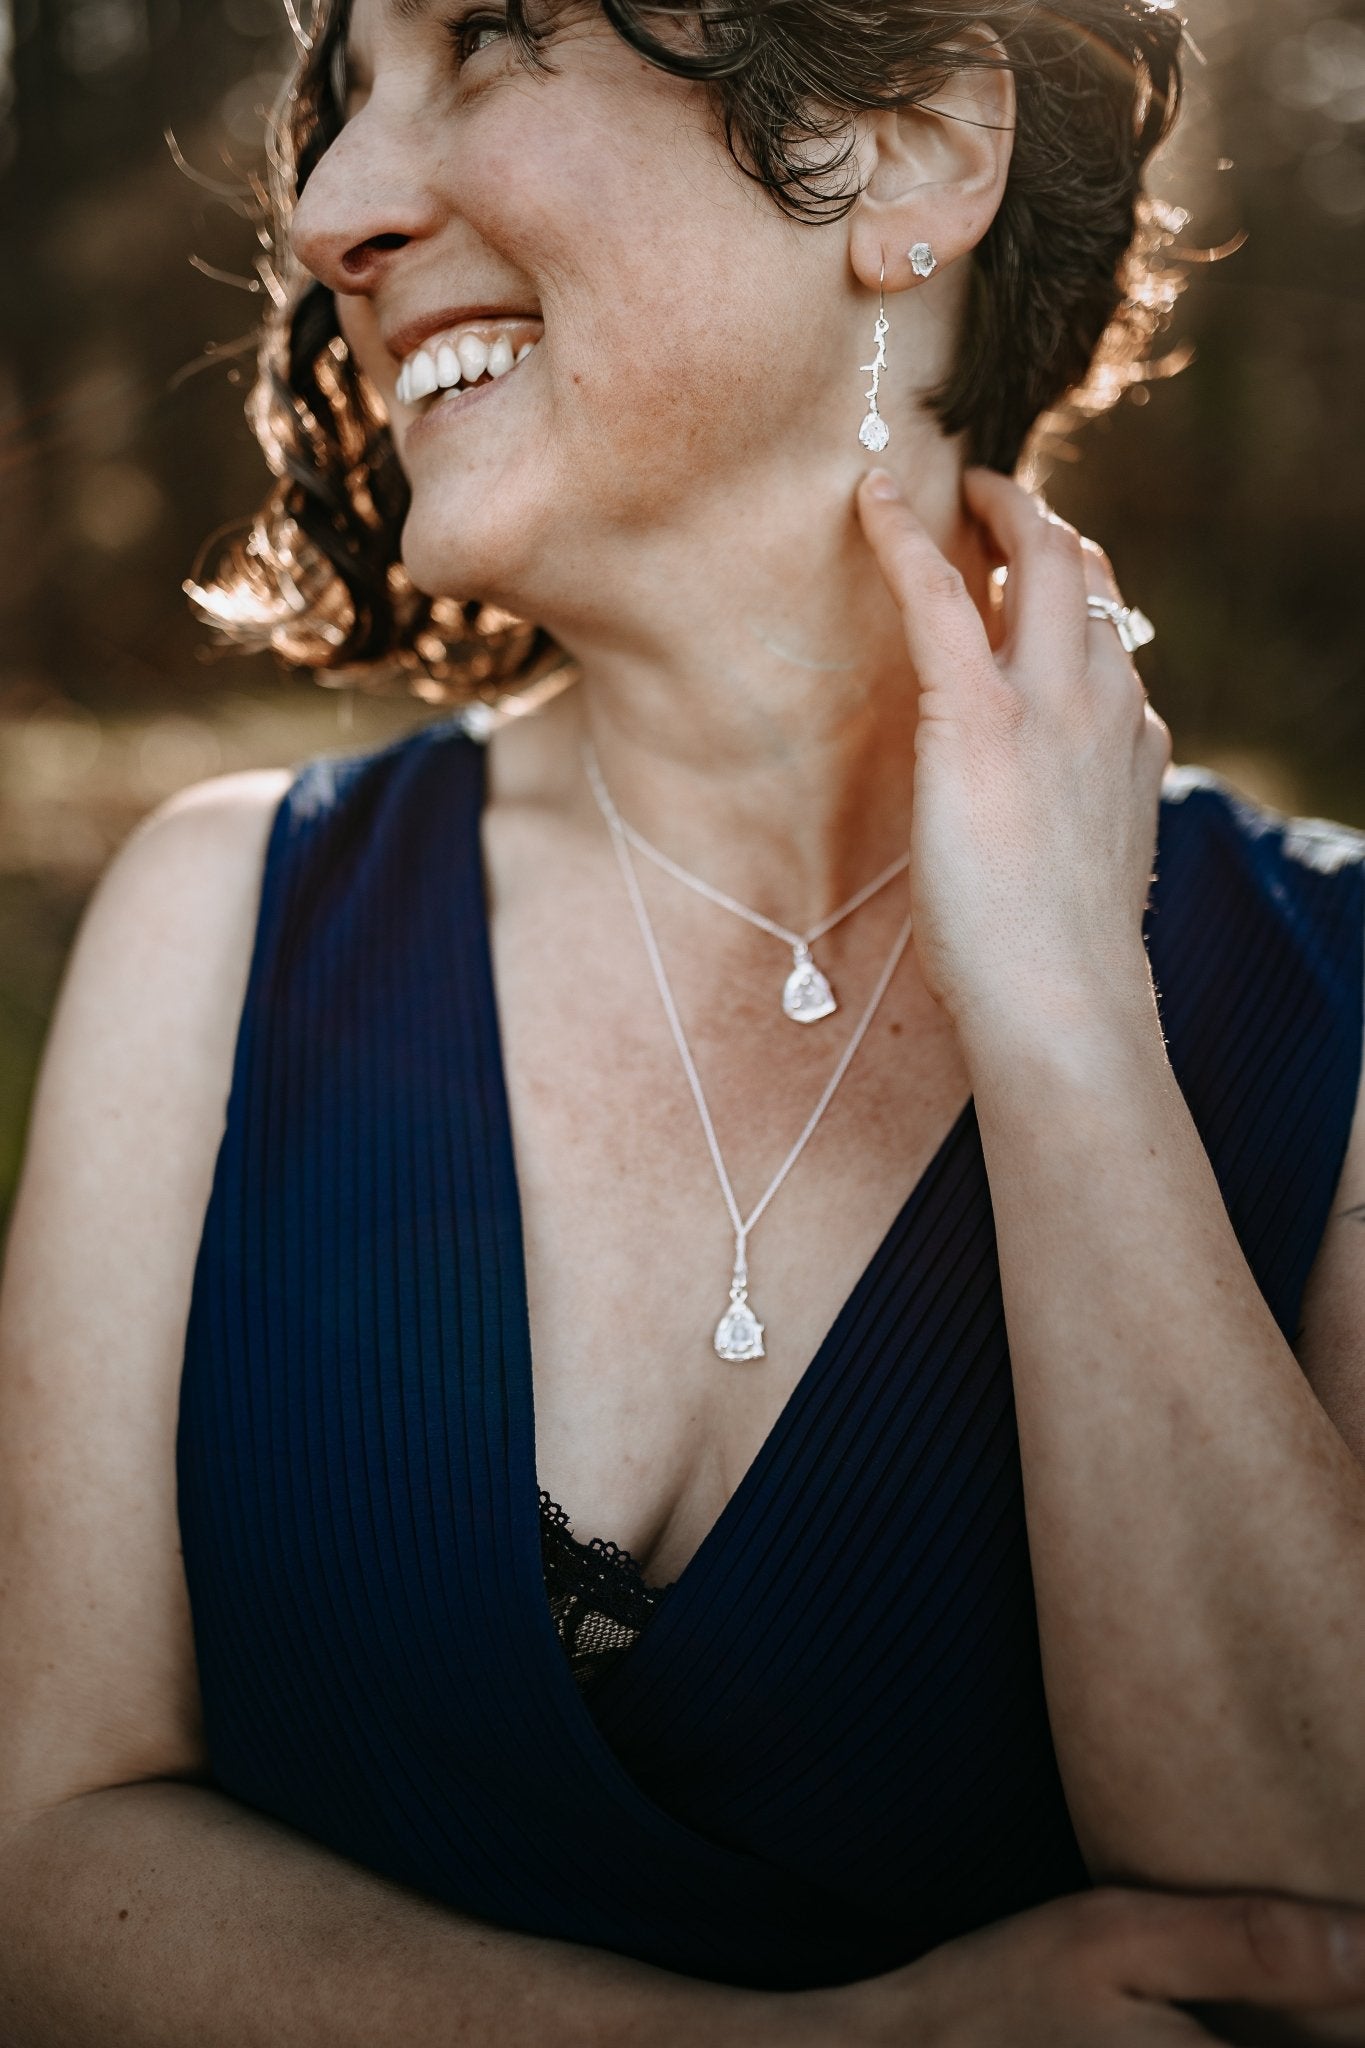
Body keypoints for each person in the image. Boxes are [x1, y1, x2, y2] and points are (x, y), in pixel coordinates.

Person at [2, 0, 1365, 2040]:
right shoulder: (224, 925)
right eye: (342, 108)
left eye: (485, 41)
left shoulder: (1333, 997)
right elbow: (41, 1858)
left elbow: (1300, 1935)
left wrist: (1071, 1023)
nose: (331, 211)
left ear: (909, 151)